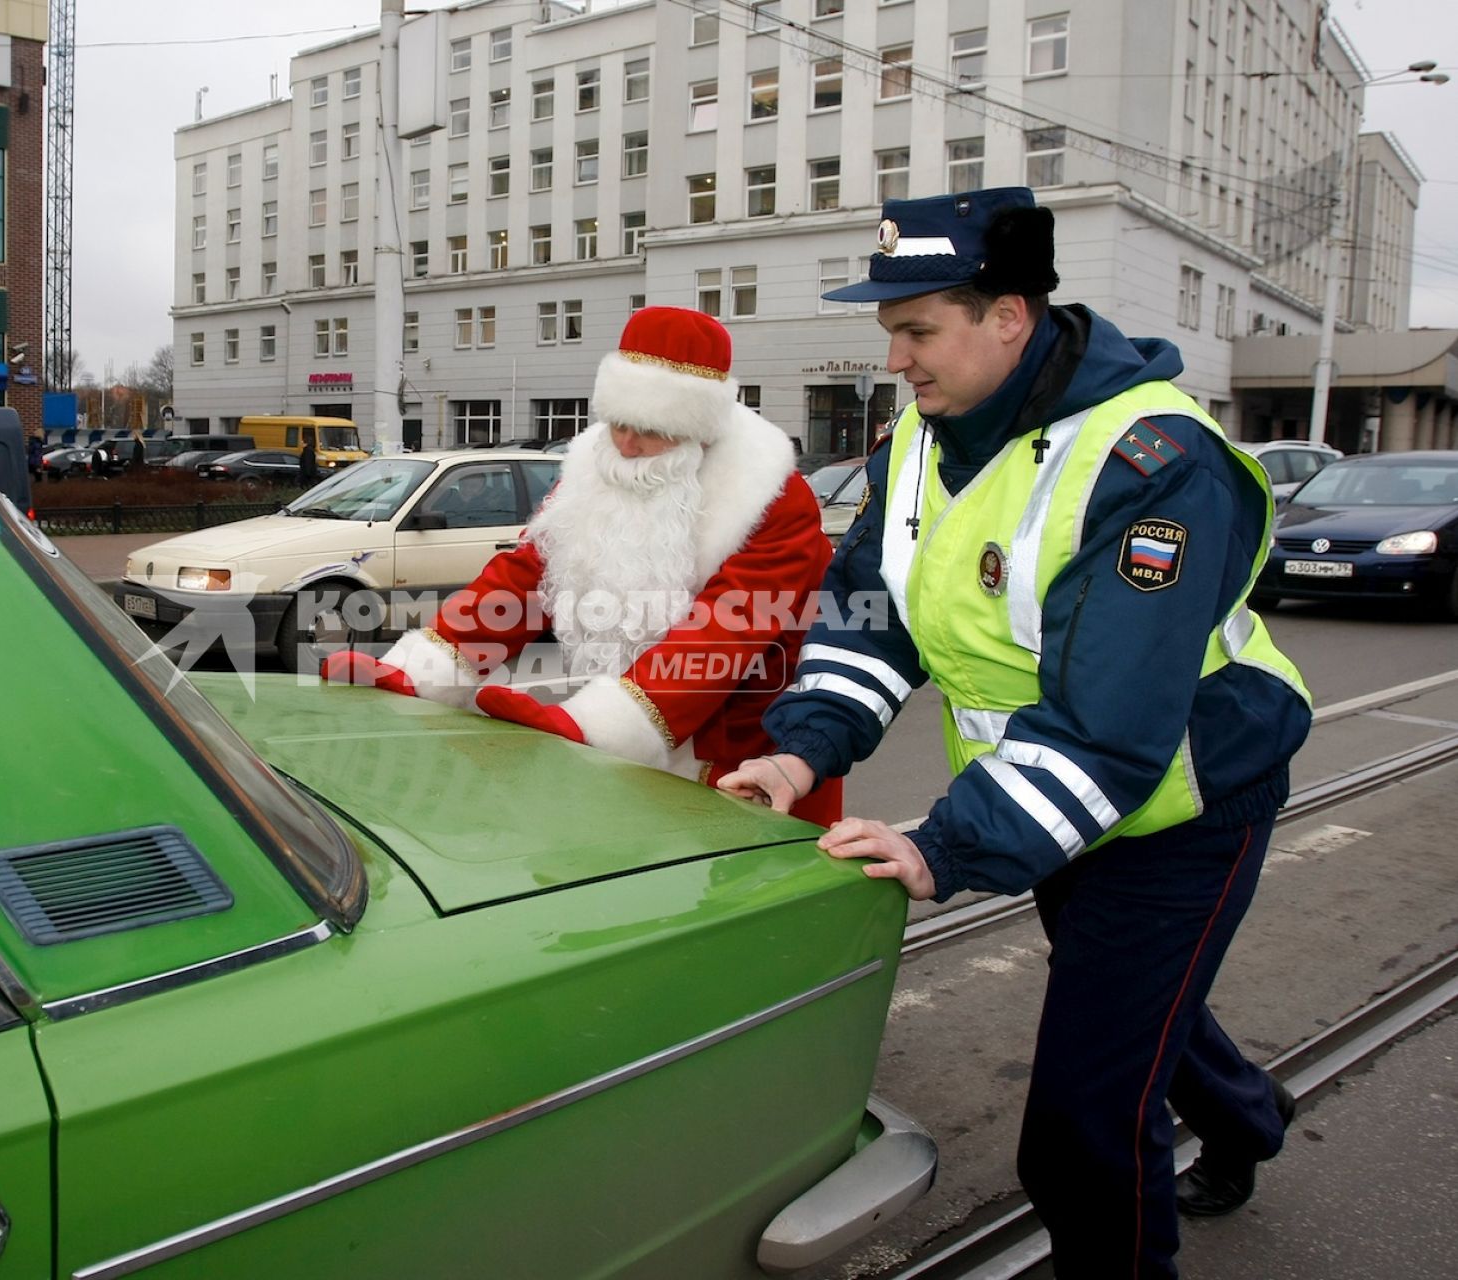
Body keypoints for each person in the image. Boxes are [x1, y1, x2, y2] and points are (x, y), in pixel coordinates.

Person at [716, 188, 1312, 1277]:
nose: (894, 358)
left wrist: (944, 844)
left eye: (916, 329)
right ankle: (1244, 1113)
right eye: (888, 332)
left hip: (1181, 803)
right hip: (1050, 798)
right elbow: (873, 613)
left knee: (1083, 1123)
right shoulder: (917, 443)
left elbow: (1109, 724)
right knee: (1126, 1002)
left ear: (1008, 314)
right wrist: (801, 746)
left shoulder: (1151, 458)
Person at [321, 306, 842, 824]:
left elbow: (725, 633)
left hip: (742, 750)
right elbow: (527, 576)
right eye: (617, 422)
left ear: (698, 430)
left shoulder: (771, 499)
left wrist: (600, 727)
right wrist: (424, 670)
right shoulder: (598, 463)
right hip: (639, 744)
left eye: (647, 429)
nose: (625, 443)